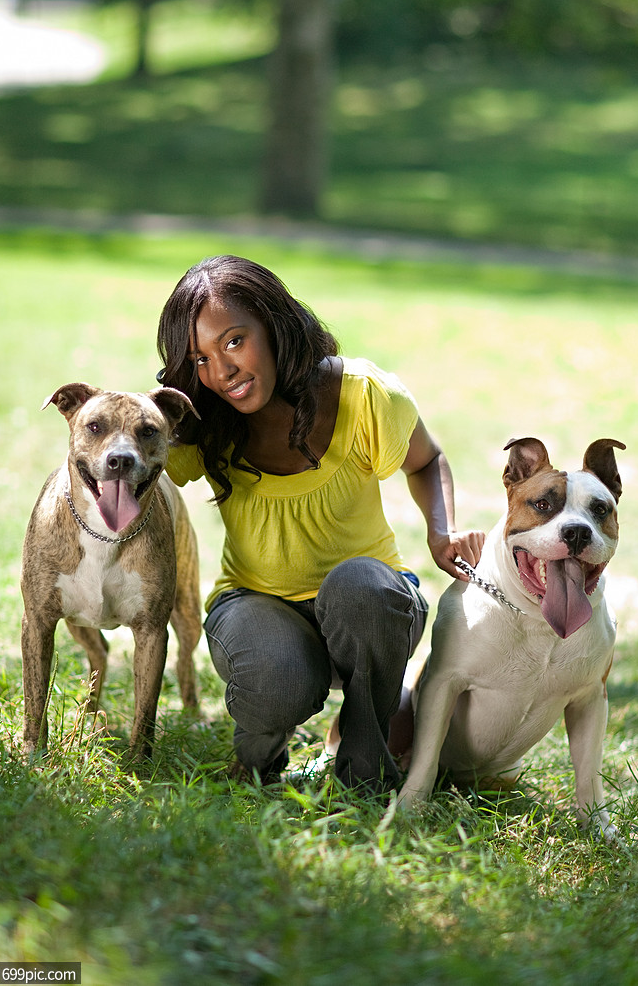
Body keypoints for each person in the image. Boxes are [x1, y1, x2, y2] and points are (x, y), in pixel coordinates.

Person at [156, 255, 484, 793]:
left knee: (363, 588)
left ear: (274, 323)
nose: (223, 372)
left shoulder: (363, 394)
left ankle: (365, 772)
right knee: (276, 676)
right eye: (201, 360)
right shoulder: (202, 420)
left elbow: (425, 459)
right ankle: (258, 760)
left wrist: (440, 531)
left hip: (367, 604)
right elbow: (135, 471)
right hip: (256, 601)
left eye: (234, 341)